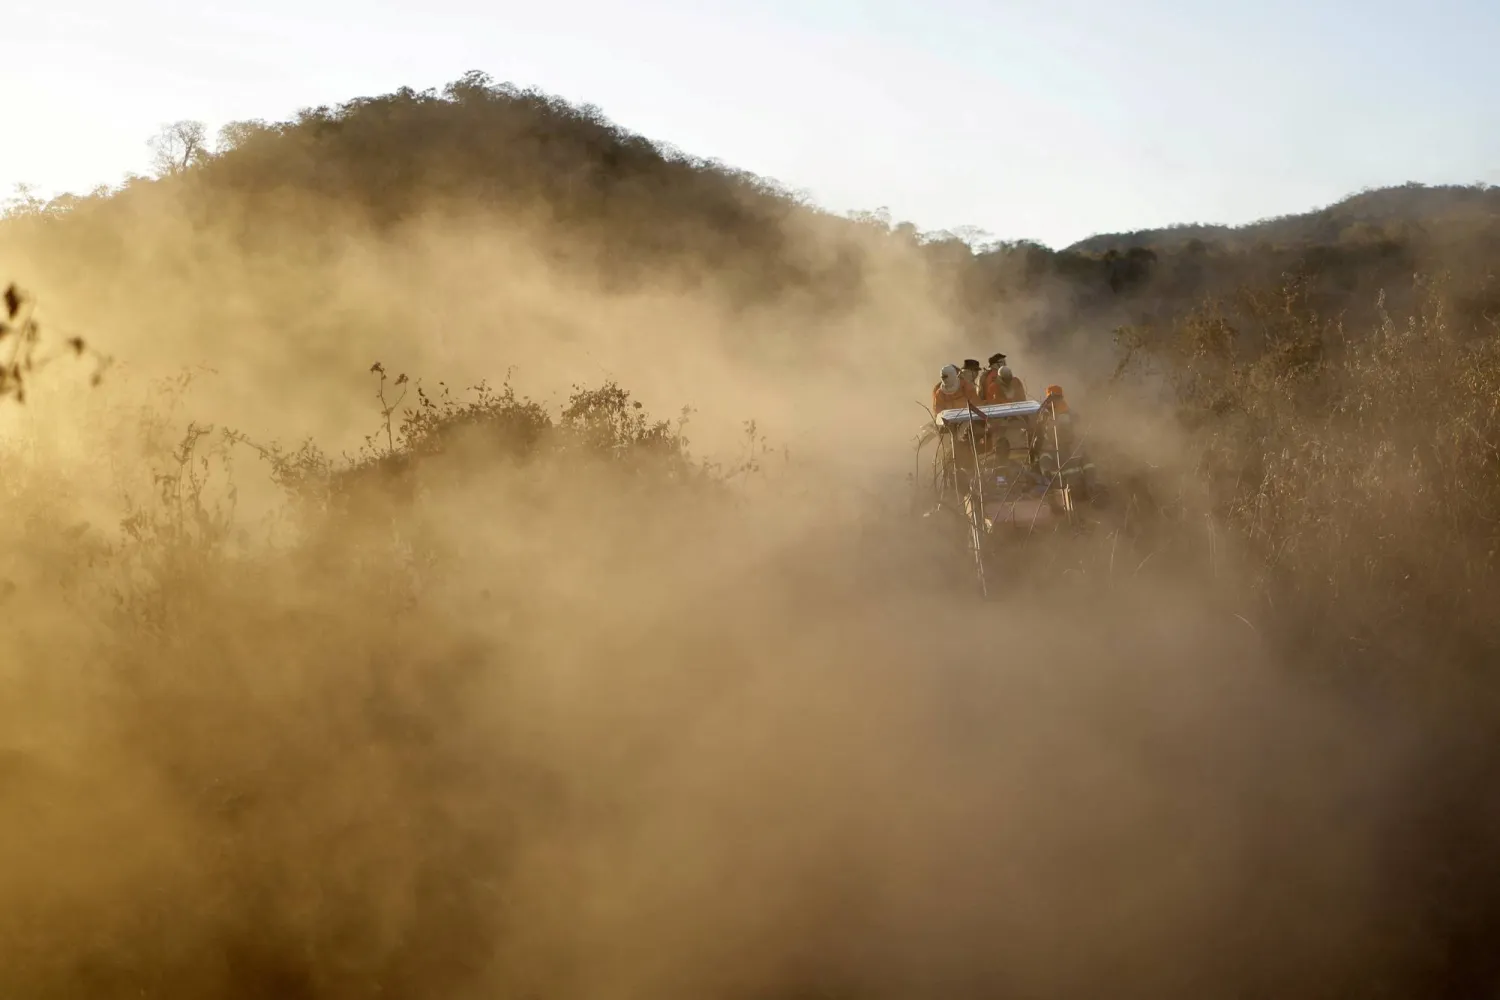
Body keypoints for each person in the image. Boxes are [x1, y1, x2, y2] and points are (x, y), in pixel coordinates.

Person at [1036, 384, 1096, 498]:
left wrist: (1090, 483)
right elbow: (1045, 470)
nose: (1055, 401)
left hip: (1078, 490)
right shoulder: (1049, 452)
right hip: (1062, 492)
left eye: (1057, 398)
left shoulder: (1077, 449)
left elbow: (1088, 466)